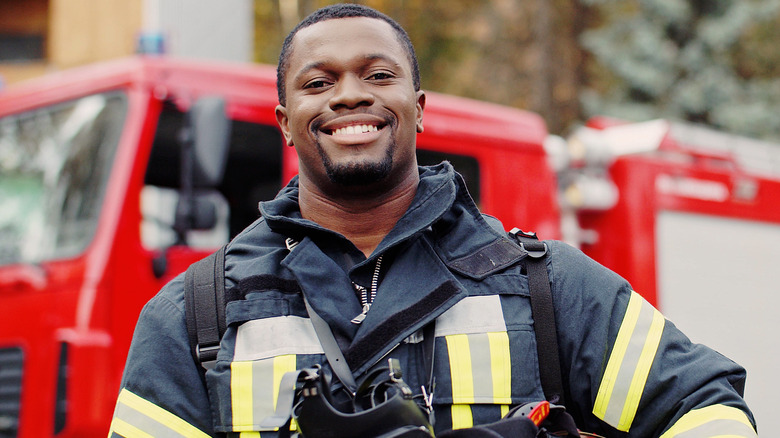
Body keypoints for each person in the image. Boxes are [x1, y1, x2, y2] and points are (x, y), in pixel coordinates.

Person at [108, 4, 757, 437]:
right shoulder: (196, 315)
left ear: (418, 109)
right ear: (284, 121)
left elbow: (711, 411)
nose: (350, 94)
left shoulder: (549, 289)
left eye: (377, 74)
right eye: (318, 82)